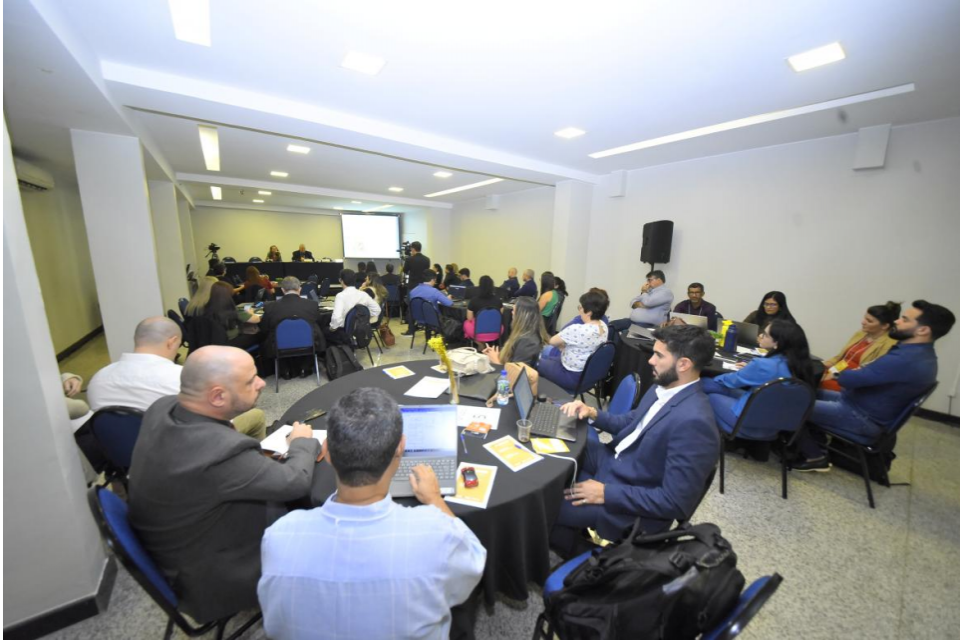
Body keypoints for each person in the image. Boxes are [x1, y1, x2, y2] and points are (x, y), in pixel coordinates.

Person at [258, 388, 486, 640]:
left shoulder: (278, 536)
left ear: (327, 451)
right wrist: (434, 499)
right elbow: (474, 566)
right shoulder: (439, 537)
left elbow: (274, 625)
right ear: (401, 448)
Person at [128, 346, 320, 625]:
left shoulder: (163, 407)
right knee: (321, 515)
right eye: (251, 381)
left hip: (177, 541)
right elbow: (296, 482)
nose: (262, 383)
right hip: (213, 575)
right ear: (217, 396)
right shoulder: (220, 452)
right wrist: (301, 443)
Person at [552, 325, 720, 547]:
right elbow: (631, 422)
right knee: (564, 438)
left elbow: (675, 502)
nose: (650, 360)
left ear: (683, 364)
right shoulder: (664, 387)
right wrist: (592, 413)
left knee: (548, 505)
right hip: (617, 463)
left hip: (628, 501)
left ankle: (570, 551)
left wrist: (606, 493)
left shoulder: (695, 423)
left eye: (659, 355)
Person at [793, 300, 955, 471]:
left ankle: (814, 456)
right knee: (805, 392)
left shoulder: (905, 359)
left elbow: (850, 380)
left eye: (905, 319)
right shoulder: (919, 355)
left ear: (923, 330)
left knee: (789, 405)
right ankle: (815, 442)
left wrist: (842, 374)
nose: (897, 321)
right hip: (857, 404)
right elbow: (861, 375)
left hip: (860, 416)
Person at [87, 317, 267, 440]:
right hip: (183, 450)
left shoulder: (98, 379)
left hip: (125, 460)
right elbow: (222, 421)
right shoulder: (181, 378)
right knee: (256, 415)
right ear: (172, 342)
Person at [701, 320, 816, 438]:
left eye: (765, 335)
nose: (760, 336)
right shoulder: (802, 366)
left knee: (706, 387)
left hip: (745, 424)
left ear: (777, 343)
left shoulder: (762, 365)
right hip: (775, 428)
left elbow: (731, 381)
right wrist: (751, 370)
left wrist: (748, 370)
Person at [538, 290, 610, 390]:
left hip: (570, 375)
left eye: (581, 307)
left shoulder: (577, 329)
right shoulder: (604, 326)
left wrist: (561, 345)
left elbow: (552, 341)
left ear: (589, 313)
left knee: (534, 361)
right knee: (548, 358)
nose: (579, 310)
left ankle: (544, 394)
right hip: (586, 376)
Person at [820, 302, 900, 392]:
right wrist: (822, 365)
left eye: (869, 321)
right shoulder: (861, 333)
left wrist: (835, 375)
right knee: (810, 375)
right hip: (838, 369)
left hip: (853, 381)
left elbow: (869, 372)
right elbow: (841, 358)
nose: (863, 322)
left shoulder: (889, 344)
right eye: (865, 318)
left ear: (885, 326)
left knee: (817, 383)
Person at [259, 277, 326, 378]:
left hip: (279, 347)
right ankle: (305, 368)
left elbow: (264, 328)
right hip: (309, 345)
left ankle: (285, 370)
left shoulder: (270, 306)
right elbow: (319, 323)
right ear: (300, 289)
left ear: (282, 290)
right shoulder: (312, 305)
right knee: (314, 331)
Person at [483, 297, 550, 369]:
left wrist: (496, 360)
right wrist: (497, 355)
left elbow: (518, 373)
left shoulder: (527, 341)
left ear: (521, 315)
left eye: (514, 310)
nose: (511, 312)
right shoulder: (527, 334)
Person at [327, 269, 382, 344]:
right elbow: (377, 309)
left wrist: (332, 328)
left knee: (324, 331)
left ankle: (337, 351)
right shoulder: (363, 294)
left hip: (344, 332)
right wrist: (363, 319)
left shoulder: (340, 296)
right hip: (360, 331)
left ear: (340, 280)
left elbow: (336, 319)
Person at [402, 242, 431, 334]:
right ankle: (424, 327)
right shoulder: (427, 259)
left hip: (412, 286)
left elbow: (405, 270)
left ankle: (411, 329)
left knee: (411, 307)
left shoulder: (409, 259)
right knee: (423, 306)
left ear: (413, 249)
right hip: (423, 286)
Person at [463, 276, 503, 340]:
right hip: (496, 332)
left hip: (477, 333)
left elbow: (469, 318)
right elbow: (500, 315)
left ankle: (481, 343)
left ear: (480, 286)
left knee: (466, 323)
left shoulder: (474, 300)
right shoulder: (498, 300)